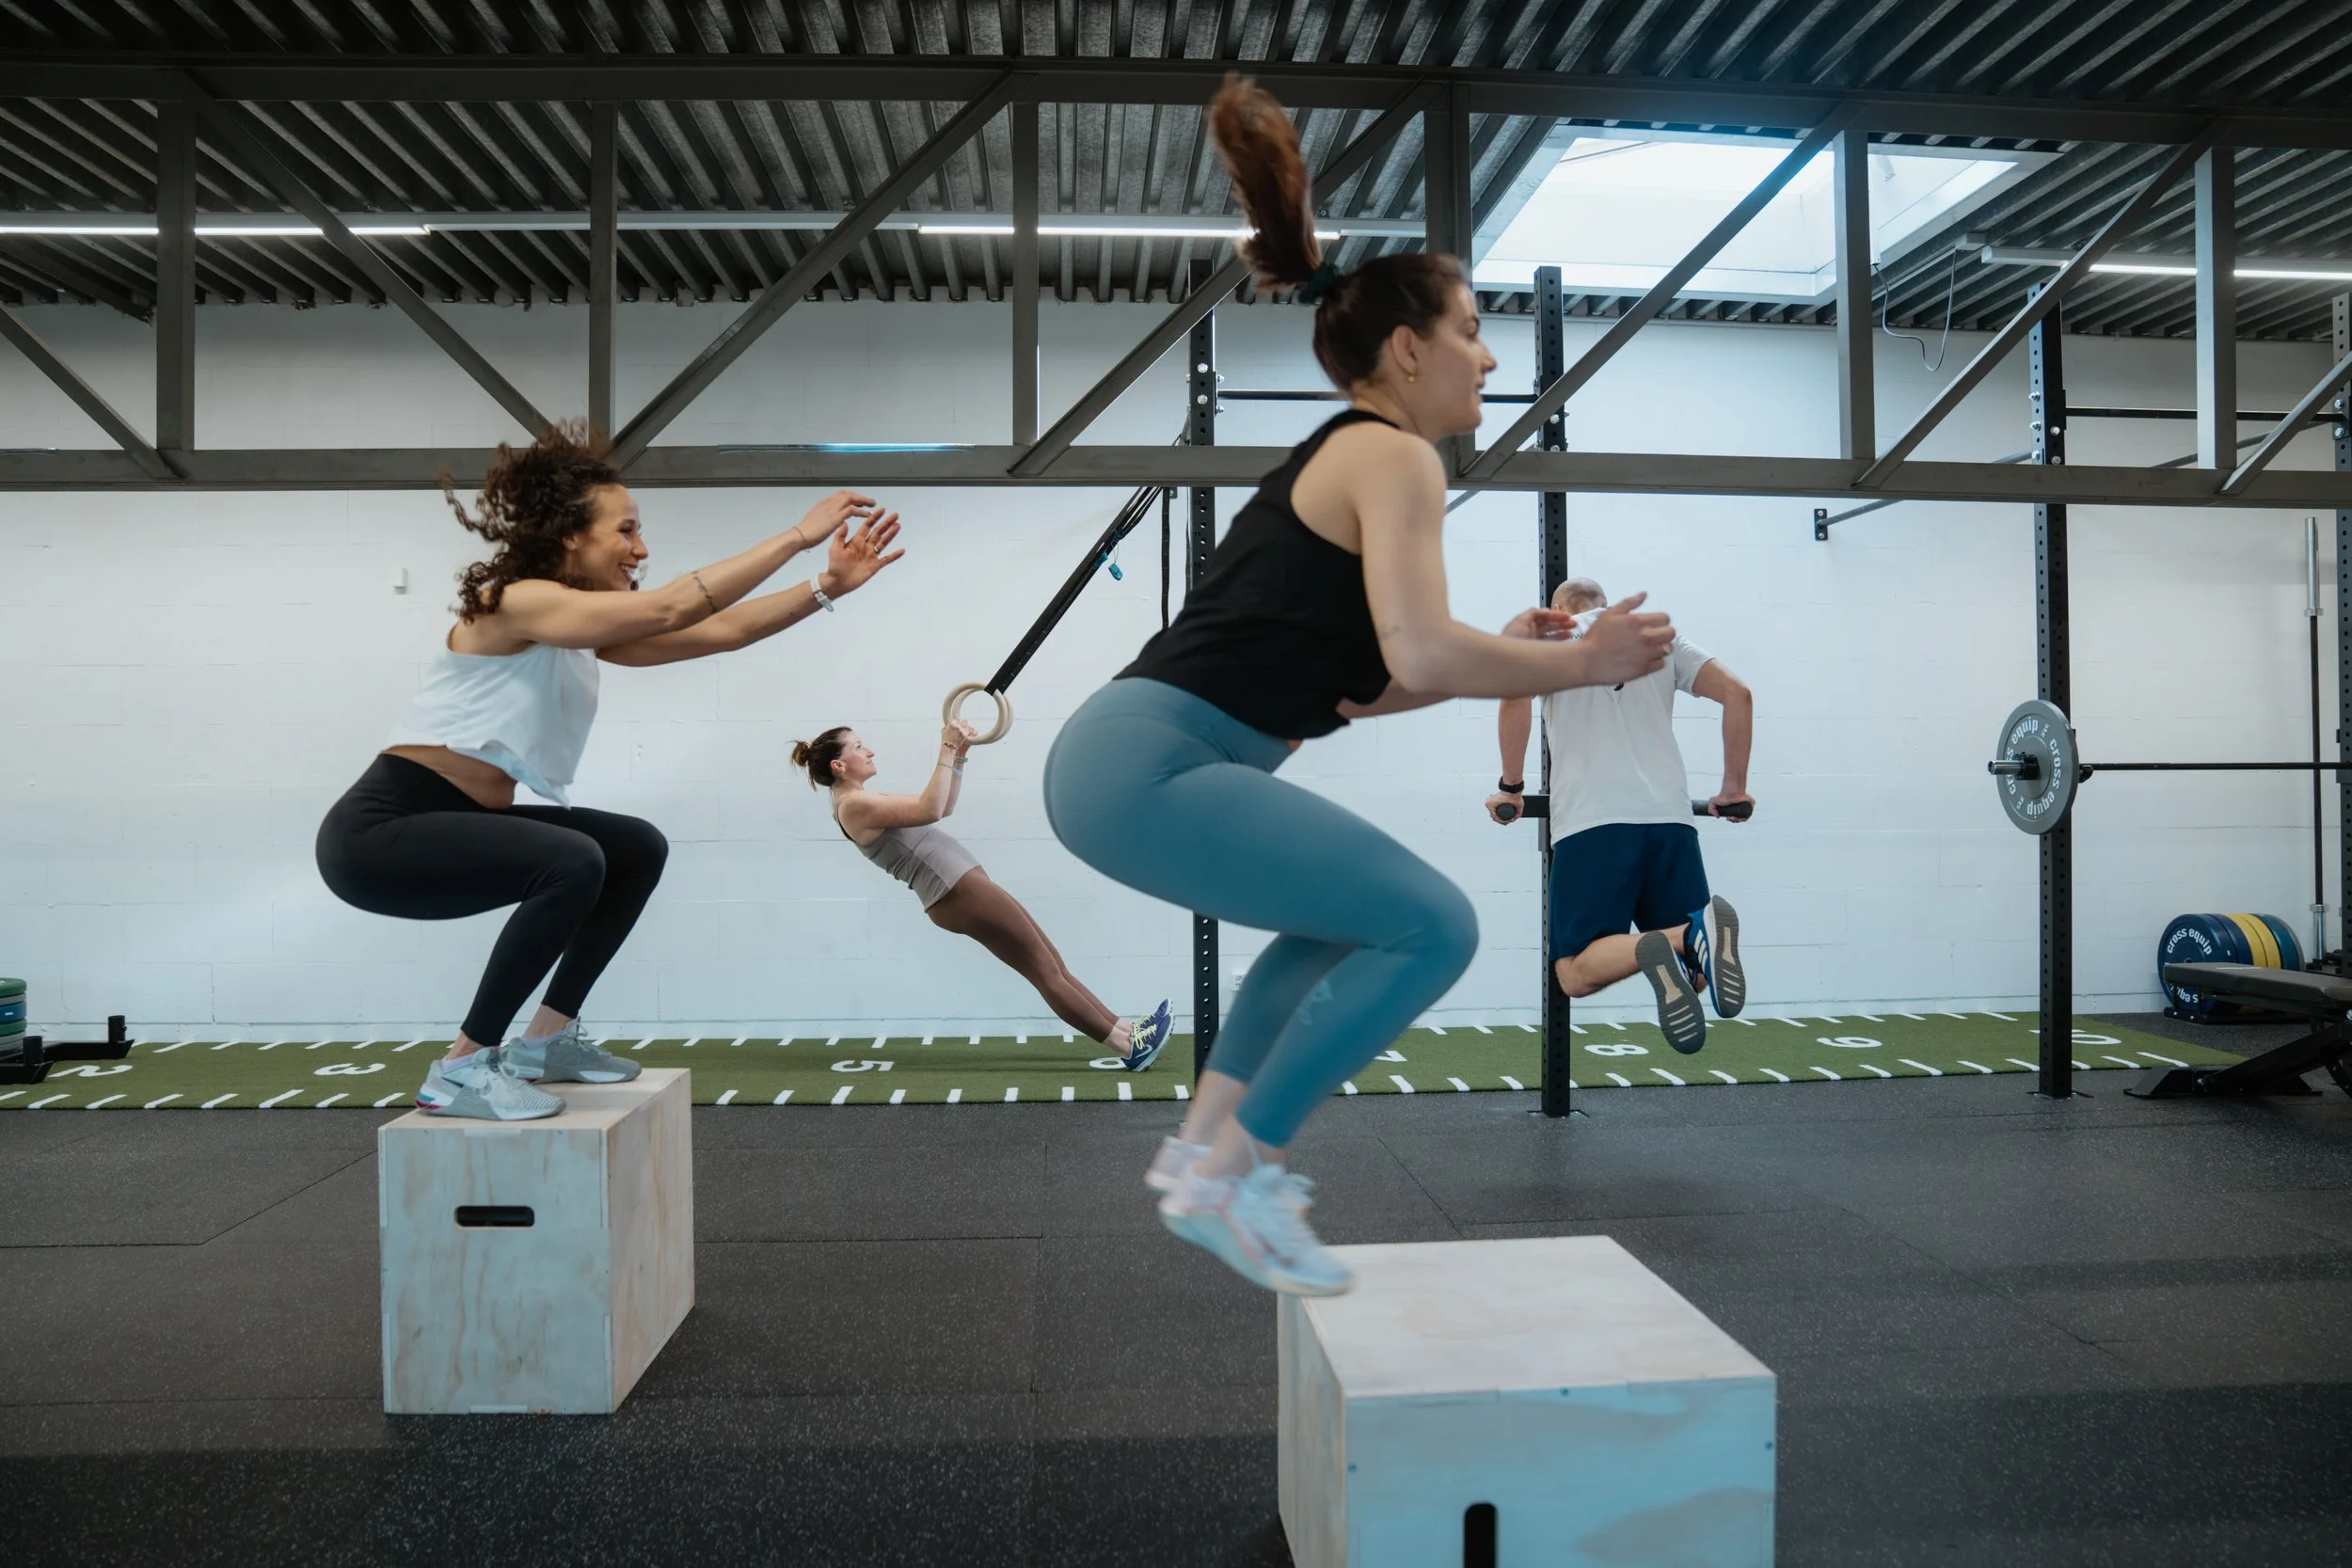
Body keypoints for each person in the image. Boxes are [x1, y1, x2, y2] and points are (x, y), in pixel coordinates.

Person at [1041, 77, 1676, 1297]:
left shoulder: (1350, 461)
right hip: (1151, 764)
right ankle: (1241, 1169)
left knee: (1337, 927)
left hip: (1137, 760)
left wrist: (1505, 644)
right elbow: (1430, 656)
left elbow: (1379, 685)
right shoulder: (1391, 453)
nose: (1488, 356)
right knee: (1437, 923)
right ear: (1407, 347)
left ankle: (1197, 1157)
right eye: (1473, 330)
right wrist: (1581, 662)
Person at [315, 423, 904, 1120]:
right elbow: (672, 603)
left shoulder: (580, 631)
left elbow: (719, 630)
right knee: (572, 858)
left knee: (634, 847)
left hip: (456, 821)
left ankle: (547, 1041)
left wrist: (825, 585)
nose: (642, 547)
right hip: (381, 831)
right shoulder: (515, 601)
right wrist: (797, 537)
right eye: (625, 530)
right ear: (569, 535)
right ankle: (462, 1067)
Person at [792, 723, 1172, 1067]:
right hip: (956, 892)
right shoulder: (855, 805)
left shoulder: (862, 799)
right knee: (1046, 971)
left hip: (958, 890)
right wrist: (945, 746)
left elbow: (944, 804)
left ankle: (1128, 1033)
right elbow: (931, 808)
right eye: (859, 747)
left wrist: (958, 757)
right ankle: (1127, 1048)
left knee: (1051, 965)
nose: (870, 751)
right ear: (840, 766)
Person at [1487, 578, 1752, 1054]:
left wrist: (1511, 788)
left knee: (1573, 973)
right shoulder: (1661, 639)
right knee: (1694, 975)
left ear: (1559, 608)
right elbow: (1739, 694)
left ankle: (1680, 933)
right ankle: (1687, 934)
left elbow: (1513, 698)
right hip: (1671, 821)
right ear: (1605, 605)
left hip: (1594, 822)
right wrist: (1733, 788)